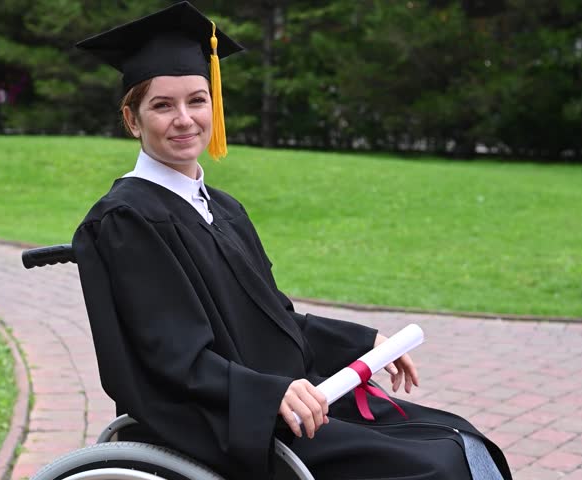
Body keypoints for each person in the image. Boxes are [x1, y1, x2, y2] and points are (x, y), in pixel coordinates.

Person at [72, 2, 511, 479]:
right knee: (434, 465)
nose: (184, 118)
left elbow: (274, 320)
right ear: (132, 119)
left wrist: (365, 343)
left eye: (197, 100)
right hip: (224, 420)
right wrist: (270, 393)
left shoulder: (223, 209)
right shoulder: (127, 220)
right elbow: (175, 361)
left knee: (457, 437)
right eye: (162, 105)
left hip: (290, 400)